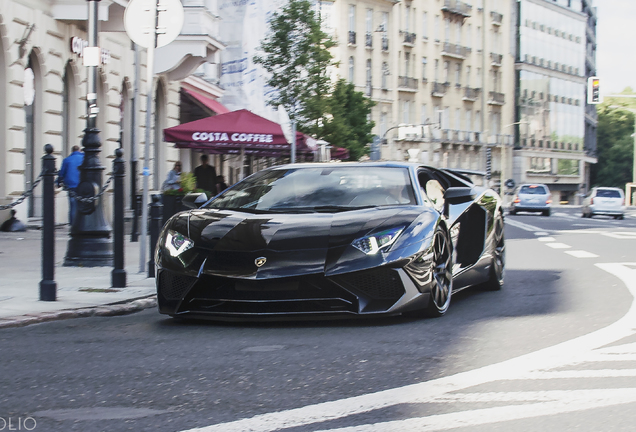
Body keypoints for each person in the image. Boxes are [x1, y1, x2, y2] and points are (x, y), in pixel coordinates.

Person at [56, 145, 84, 225]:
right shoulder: (84, 158)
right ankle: (81, 223)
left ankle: (73, 224)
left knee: (73, 206)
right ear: (79, 150)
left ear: (72, 151)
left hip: (71, 186)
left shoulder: (67, 160)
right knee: (82, 205)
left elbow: (62, 173)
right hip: (82, 185)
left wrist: (58, 182)